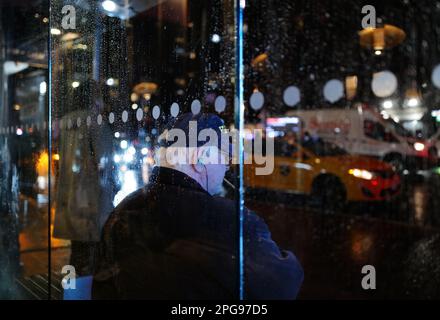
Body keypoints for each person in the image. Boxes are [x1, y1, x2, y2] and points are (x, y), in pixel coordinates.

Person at [92, 112, 303, 299]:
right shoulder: (230, 222)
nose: (227, 165)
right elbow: (284, 282)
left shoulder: (124, 212)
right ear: (200, 158)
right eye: (224, 155)